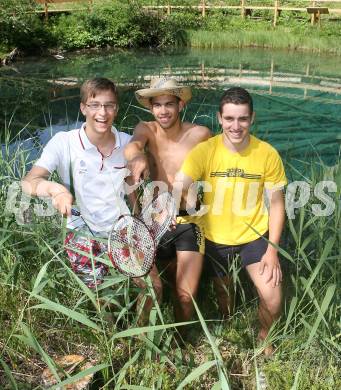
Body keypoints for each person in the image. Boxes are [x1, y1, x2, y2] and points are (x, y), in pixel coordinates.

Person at [176, 87, 287, 354]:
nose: (235, 126)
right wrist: (177, 197)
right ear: (219, 118)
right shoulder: (205, 151)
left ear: (252, 118)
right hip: (215, 237)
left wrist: (272, 249)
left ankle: (264, 338)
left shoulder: (267, 153)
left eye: (242, 119)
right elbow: (182, 182)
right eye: (229, 119)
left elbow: (276, 204)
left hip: (254, 235)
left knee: (272, 297)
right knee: (226, 297)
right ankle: (228, 322)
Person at [22, 77, 133, 288]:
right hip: (81, 232)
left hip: (121, 228)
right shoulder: (64, 142)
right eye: (95, 105)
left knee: (150, 286)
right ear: (83, 108)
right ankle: (108, 320)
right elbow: (29, 182)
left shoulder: (127, 143)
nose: (102, 113)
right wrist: (56, 190)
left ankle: (140, 321)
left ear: (116, 109)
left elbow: (134, 183)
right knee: (102, 299)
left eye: (109, 105)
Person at [124, 77, 211, 332]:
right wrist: (138, 157)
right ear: (151, 108)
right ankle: (142, 344)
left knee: (184, 297)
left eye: (169, 104)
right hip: (154, 220)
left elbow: (219, 166)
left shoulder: (200, 134)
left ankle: (181, 340)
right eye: (158, 105)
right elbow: (133, 147)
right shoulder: (146, 129)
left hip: (188, 221)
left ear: (180, 104)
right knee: (152, 291)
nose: (163, 111)